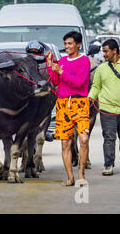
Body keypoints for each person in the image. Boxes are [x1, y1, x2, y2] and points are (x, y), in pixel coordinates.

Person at [46, 31, 91, 186]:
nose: (67, 47)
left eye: (70, 43)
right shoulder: (63, 60)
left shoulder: (84, 60)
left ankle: (81, 173)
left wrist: (61, 71)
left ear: (78, 44)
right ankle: (70, 177)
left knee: (83, 139)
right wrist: (51, 67)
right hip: (63, 104)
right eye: (65, 44)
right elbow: (55, 81)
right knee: (65, 143)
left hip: (80, 104)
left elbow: (79, 82)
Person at [88, 39, 120, 176]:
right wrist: (90, 97)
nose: (104, 55)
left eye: (106, 51)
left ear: (115, 50)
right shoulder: (101, 68)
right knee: (108, 137)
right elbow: (96, 87)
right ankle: (108, 164)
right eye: (103, 51)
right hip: (107, 110)